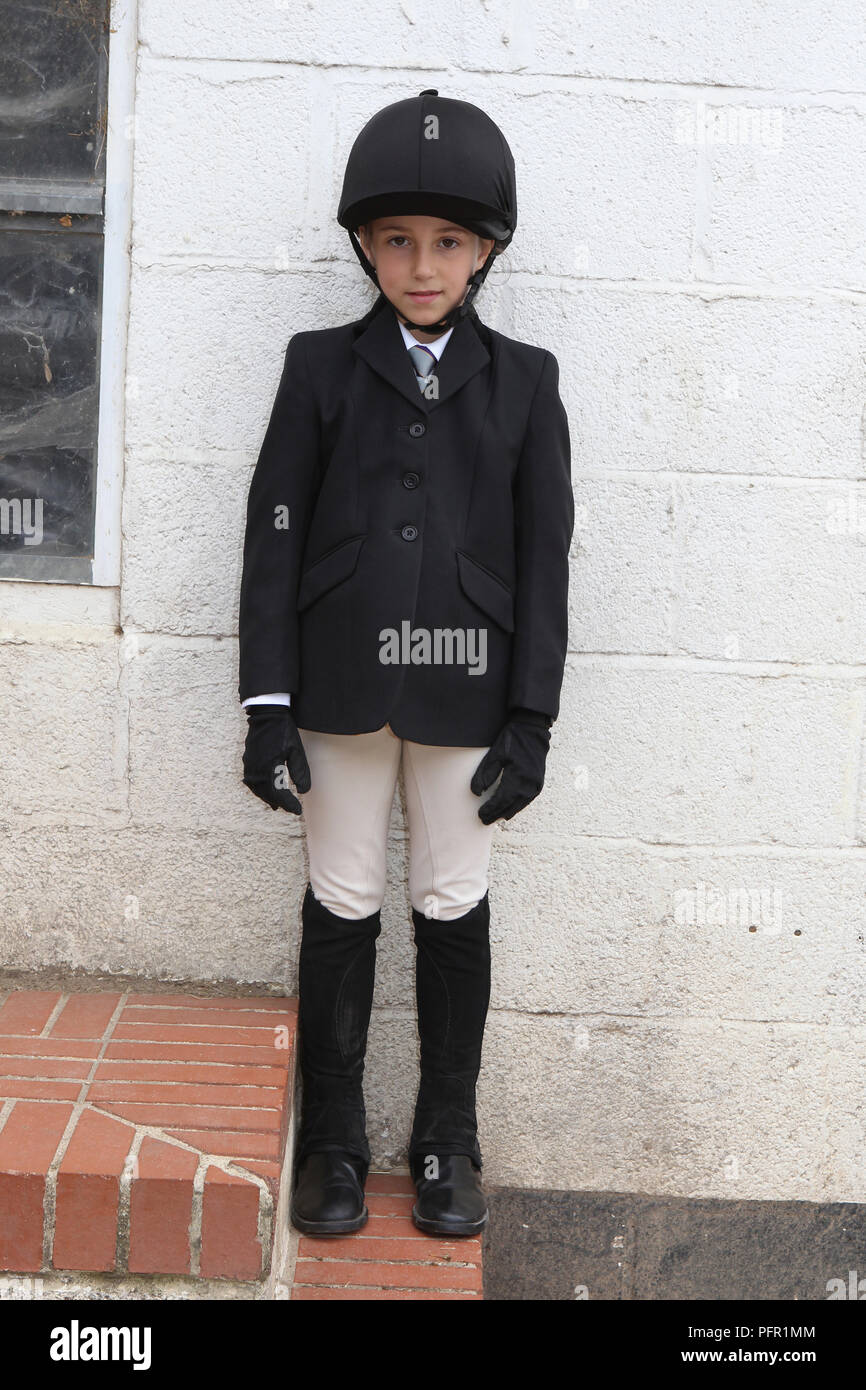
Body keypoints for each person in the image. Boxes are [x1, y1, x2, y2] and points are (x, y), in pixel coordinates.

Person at [237, 90, 574, 1238]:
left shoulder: (526, 381)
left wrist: (531, 717)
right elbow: (271, 528)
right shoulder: (319, 365)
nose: (420, 265)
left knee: (451, 898)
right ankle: (332, 1137)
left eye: (445, 242)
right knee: (342, 898)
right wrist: (267, 702)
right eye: (396, 241)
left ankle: (445, 1138)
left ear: (483, 251)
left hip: (465, 688)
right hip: (335, 685)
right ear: (365, 247)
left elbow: (542, 559)